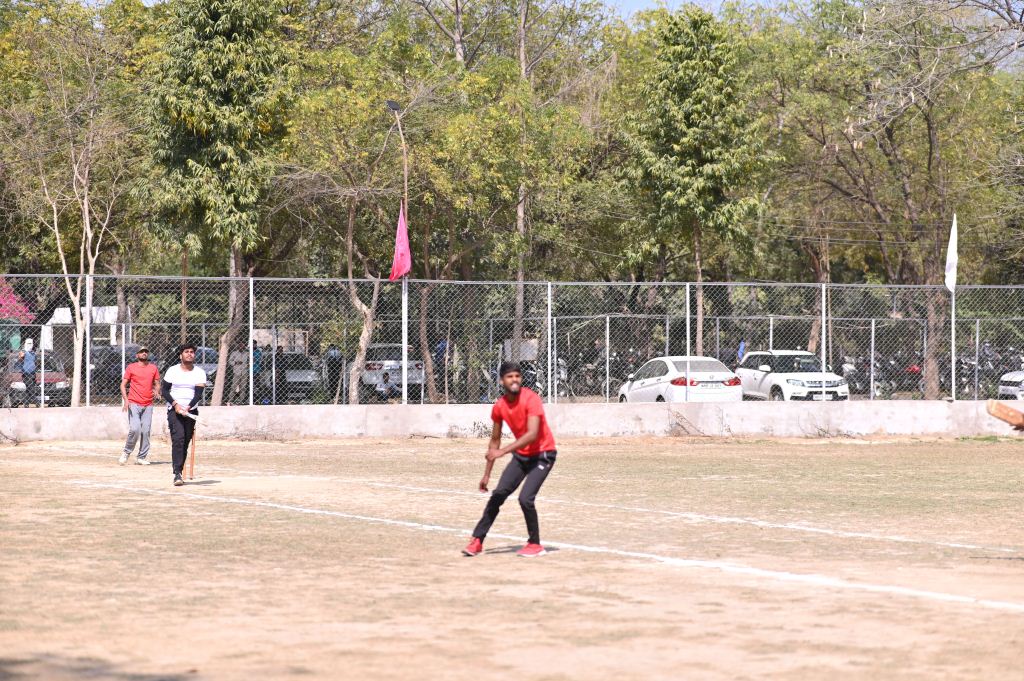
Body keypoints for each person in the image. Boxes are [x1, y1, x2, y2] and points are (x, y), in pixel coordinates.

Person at [463, 361, 557, 558]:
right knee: (498, 495)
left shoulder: (531, 399)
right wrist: (486, 475)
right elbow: (494, 441)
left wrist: (504, 451)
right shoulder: (500, 406)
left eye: (517, 376)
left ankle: (535, 544)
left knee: (525, 498)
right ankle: (477, 540)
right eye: (509, 376)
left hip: (543, 454)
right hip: (522, 456)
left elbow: (532, 434)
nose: (514, 380)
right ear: (501, 381)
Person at [161, 344, 207, 487]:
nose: (189, 354)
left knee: (185, 441)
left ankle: (179, 469)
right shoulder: (172, 371)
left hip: (190, 411)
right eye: (186, 352)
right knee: (178, 439)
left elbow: (198, 394)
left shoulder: (199, 373)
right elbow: (165, 391)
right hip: (174, 410)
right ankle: (177, 473)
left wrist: (188, 407)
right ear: (180, 355)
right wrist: (175, 405)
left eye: (192, 352)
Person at [119, 346, 161, 465]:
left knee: (145, 431)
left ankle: (141, 457)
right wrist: (126, 400)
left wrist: (157, 391)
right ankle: (126, 452)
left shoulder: (153, 368)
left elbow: (157, 383)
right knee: (135, 429)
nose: (144, 353)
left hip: (148, 404)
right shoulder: (131, 367)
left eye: (146, 352)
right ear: (137, 355)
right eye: (141, 352)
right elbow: (123, 385)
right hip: (134, 403)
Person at [19, 339, 37, 407]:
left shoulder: (33, 353)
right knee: (30, 388)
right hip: (26, 374)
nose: (30, 345)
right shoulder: (23, 352)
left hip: (33, 373)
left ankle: (26, 404)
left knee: (28, 389)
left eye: (31, 343)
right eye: (28, 343)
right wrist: (24, 351)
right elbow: (20, 357)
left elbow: (35, 362)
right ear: (25, 344)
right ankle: (37, 402)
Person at [228, 341, 247, 405]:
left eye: (242, 345)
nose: (241, 347)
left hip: (244, 372)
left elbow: (250, 361)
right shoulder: (234, 353)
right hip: (236, 372)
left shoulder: (247, 353)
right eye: (240, 345)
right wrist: (235, 362)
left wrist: (248, 365)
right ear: (238, 346)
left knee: (243, 387)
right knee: (233, 387)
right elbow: (230, 361)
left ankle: (241, 401)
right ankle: (230, 400)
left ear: (244, 346)